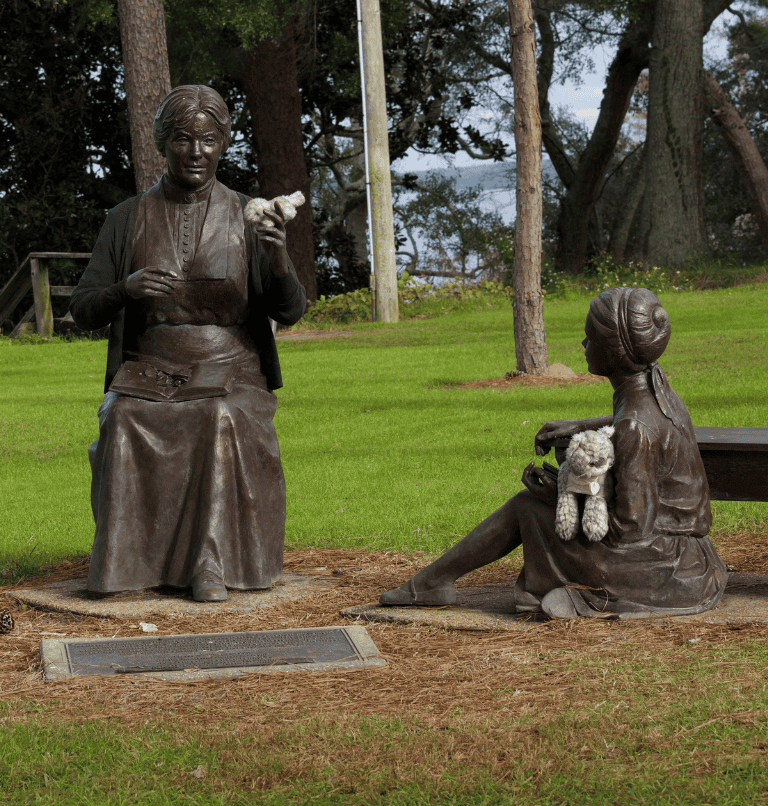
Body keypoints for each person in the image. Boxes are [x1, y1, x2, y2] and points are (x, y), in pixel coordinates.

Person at [70, 85, 306, 602]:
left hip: (232, 369)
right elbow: (83, 309)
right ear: (162, 143)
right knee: (122, 416)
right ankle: (123, 567)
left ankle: (210, 564)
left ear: (223, 143)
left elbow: (290, 311)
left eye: (208, 140)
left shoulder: (248, 214)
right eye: (182, 139)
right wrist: (124, 289)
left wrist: (278, 260)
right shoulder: (126, 218)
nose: (196, 152)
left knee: (218, 416)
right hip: (150, 368)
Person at [380, 287, 728, 618]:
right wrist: (579, 425)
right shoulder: (654, 387)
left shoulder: (637, 428)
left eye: (591, 338)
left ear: (614, 352)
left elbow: (629, 530)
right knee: (532, 506)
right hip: (691, 560)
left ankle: (432, 583)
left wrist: (561, 496)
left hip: (662, 567)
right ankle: (433, 582)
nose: (584, 344)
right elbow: (629, 421)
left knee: (526, 507)